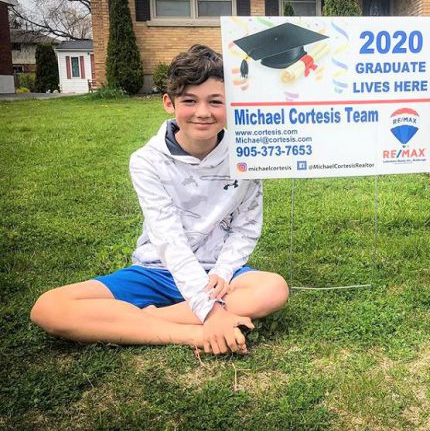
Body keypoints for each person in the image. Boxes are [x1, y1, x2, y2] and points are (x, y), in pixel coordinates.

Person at [31, 45, 289, 354]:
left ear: (231, 104)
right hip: (157, 271)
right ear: (169, 103)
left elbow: (246, 228)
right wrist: (213, 313)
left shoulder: (247, 156)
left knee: (273, 289)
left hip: (215, 276)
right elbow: (168, 240)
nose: (203, 112)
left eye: (215, 101)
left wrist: (222, 271)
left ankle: (148, 320)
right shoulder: (146, 161)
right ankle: (194, 333)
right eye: (190, 101)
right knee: (50, 307)